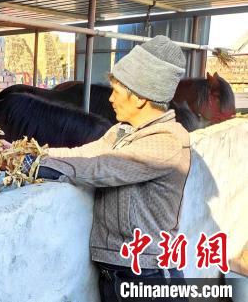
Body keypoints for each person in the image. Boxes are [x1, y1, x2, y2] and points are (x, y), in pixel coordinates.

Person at [17, 35, 192, 301]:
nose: (110, 98)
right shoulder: (121, 132)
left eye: (117, 91)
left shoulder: (167, 142)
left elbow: (100, 167)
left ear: (140, 98)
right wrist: (28, 152)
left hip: (149, 275)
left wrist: (31, 166)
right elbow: (83, 153)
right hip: (115, 273)